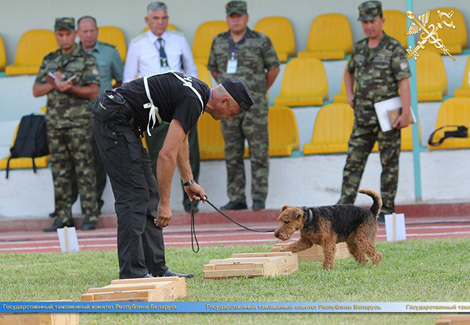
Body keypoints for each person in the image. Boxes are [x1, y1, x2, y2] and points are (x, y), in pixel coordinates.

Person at [91, 72, 253, 279]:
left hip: (125, 123)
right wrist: (165, 205)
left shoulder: (199, 93)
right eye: (233, 113)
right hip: (114, 120)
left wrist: (189, 181)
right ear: (224, 100)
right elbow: (166, 155)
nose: (230, 118)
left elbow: (182, 140)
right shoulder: (194, 99)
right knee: (133, 197)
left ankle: (157, 269)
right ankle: (133, 273)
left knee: (148, 193)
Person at [337, 1, 411, 222]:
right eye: (365, 22)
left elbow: (404, 81)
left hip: (389, 118)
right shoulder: (359, 48)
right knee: (353, 163)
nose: (369, 26)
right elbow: (348, 72)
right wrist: (349, 94)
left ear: (382, 20)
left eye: (373, 21)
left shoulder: (393, 47)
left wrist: (406, 112)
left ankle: (386, 209)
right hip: (363, 118)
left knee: (389, 164)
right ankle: (343, 209)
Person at [48, 16, 124, 227]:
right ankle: (66, 208)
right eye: (84, 31)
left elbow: (120, 79)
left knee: (95, 162)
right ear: (78, 33)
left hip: (102, 115)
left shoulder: (110, 52)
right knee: (70, 163)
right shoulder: (71, 55)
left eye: (92, 31)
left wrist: (108, 100)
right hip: (75, 116)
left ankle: (93, 206)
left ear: (97, 31)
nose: (89, 35)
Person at [123, 1, 200, 213]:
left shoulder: (179, 40)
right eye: (156, 18)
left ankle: (191, 201)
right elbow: (129, 79)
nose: (160, 22)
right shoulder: (137, 44)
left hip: (181, 104)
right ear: (147, 20)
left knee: (189, 151)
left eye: (164, 18)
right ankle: (159, 203)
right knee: (158, 155)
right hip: (153, 107)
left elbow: (192, 71)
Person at [208, 0, 280, 211]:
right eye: (232, 15)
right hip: (225, 108)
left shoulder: (261, 40)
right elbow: (214, 70)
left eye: (239, 15)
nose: (236, 19)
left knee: (258, 152)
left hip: (254, 110)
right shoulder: (219, 41)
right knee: (232, 152)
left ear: (247, 17)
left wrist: (256, 92)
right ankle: (237, 197)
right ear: (227, 18)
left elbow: (274, 68)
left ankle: (258, 198)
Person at [32, 18, 100, 232]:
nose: (64, 38)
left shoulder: (86, 59)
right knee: (60, 172)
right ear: (56, 35)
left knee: (85, 169)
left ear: (75, 34)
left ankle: (90, 215)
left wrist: (69, 88)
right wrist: (54, 84)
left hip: (79, 123)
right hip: (54, 124)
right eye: (60, 34)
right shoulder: (49, 59)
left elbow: (93, 91)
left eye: (68, 34)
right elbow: (36, 90)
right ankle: (63, 216)